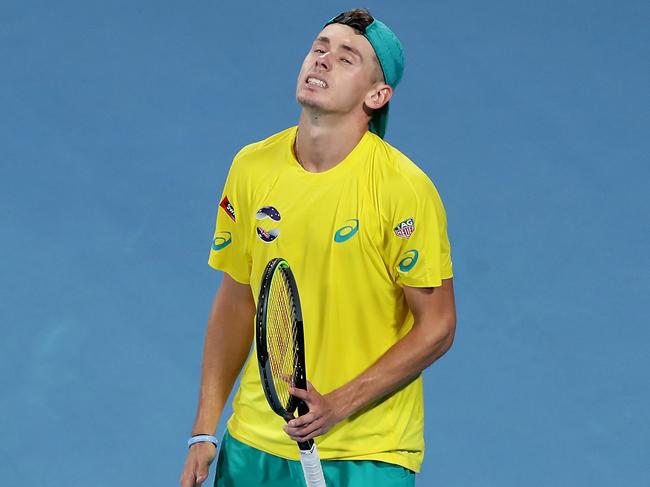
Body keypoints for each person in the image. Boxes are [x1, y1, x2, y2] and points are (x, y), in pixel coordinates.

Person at [180, 8, 456, 487]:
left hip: (368, 453)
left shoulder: (403, 190)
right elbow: (238, 300)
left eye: (346, 58)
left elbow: (438, 326)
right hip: (255, 445)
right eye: (319, 48)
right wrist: (204, 428)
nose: (322, 61)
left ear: (377, 95)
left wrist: (339, 405)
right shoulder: (253, 167)